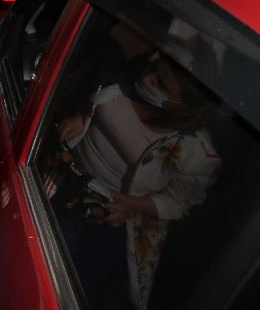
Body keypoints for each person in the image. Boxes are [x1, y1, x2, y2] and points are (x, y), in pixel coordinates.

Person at [48, 50, 220, 309]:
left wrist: (132, 204)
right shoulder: (126, 79)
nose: (149, 78)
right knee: (45, 248)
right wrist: (82, 118)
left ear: (183, 104)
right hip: (68, 178)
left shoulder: (195, 150)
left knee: (79, 283)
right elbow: (94, 99)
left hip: (114, 213)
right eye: (154, 69)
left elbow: (179, 200)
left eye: (161, 84)